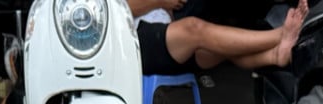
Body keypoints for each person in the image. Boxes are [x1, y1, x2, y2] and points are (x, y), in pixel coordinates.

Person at [132, 0, 307, 78]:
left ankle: (275, 55)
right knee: (193, 28)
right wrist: (160, 1)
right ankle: (279, 35)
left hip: (163, 37)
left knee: (222, 45)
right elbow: (123, 8)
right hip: (131, 41)